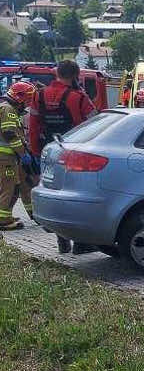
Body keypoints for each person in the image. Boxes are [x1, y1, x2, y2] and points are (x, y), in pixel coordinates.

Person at [29, 60, 98, 253]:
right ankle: (81, 243)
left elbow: (33, 125)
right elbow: (96, 123)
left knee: (56, 194)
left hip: (49, 151)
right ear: (76, 75)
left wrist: (35, 151)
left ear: (57, 73)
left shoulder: (39, 95)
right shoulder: (78, 97)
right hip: (75, 152)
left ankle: (62, 239)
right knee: (78, 196)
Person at [0, 82, 37, 230]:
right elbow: (9, 135)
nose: (28, 104)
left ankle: (6, 216)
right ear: (19, 97)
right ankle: (2, 220)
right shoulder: (7, 109)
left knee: (15, 186)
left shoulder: (9, 109)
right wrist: (23, 154)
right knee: (8, 187)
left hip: (9, 157)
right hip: (5, 157)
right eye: (28, 100)